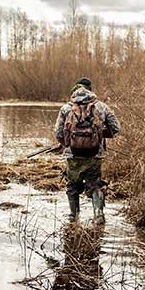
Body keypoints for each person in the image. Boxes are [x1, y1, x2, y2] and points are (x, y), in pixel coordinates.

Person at [54, 78, 120, 225]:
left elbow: (58, 133)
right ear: (91, 90)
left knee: (72, 185)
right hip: (95, 154)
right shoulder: (102, 107)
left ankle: (73, 217)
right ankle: (98, 215)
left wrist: (66, 143)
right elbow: (116, 129)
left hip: (73, 155)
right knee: (95, 184)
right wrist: (100, 134)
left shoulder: (66, 108)